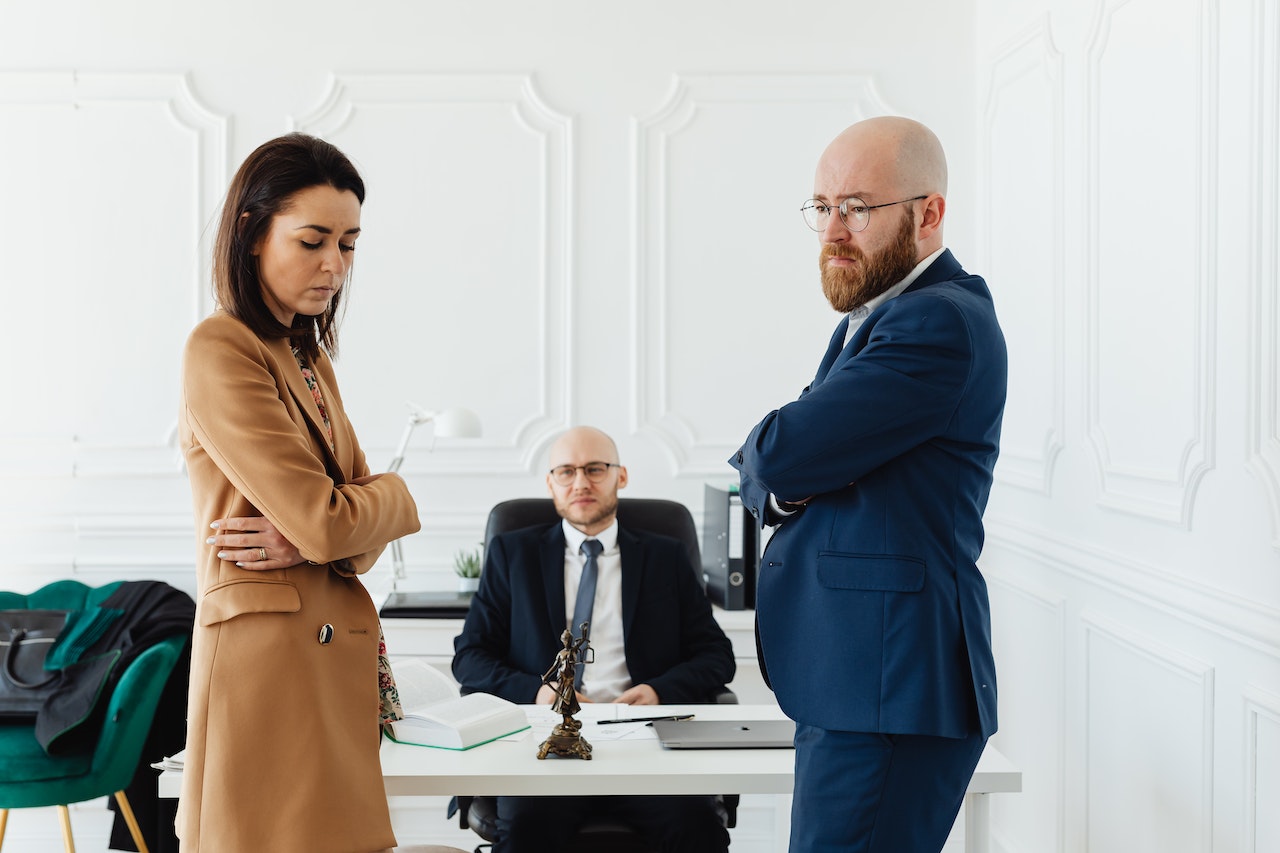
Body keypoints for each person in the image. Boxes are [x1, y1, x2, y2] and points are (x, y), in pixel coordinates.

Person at [730, 116, 1007, 853]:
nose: (832, 229)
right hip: (862, 681)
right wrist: (789, 472)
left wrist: (783, 473)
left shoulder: (935, 322)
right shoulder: (878, 316)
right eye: (821, 208)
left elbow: (778, 453)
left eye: (857, 206)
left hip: (888, 689)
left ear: (929, 212)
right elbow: (793, 460)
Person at [178, 133, 424, 853]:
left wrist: (333, 528)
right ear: (252, 232)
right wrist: (392, 500)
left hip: (323, 661)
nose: (334, 265)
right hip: (269, 668)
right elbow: (327, 521)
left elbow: (345, 538)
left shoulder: (307, 357)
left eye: (348, 244)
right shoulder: (221, 347)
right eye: (313, 240)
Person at [453, 426, 735, 853]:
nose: (581, 482)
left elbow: (717, 656)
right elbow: (470, 657)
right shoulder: (514, 555)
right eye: (566, 471)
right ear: (551, 483)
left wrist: (660, 690)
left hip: (643, 742)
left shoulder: (665, 556)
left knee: (696, 828)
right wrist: (539, 692)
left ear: (621, 476)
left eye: (595, 469)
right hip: (546, 745)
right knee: (527, 829)